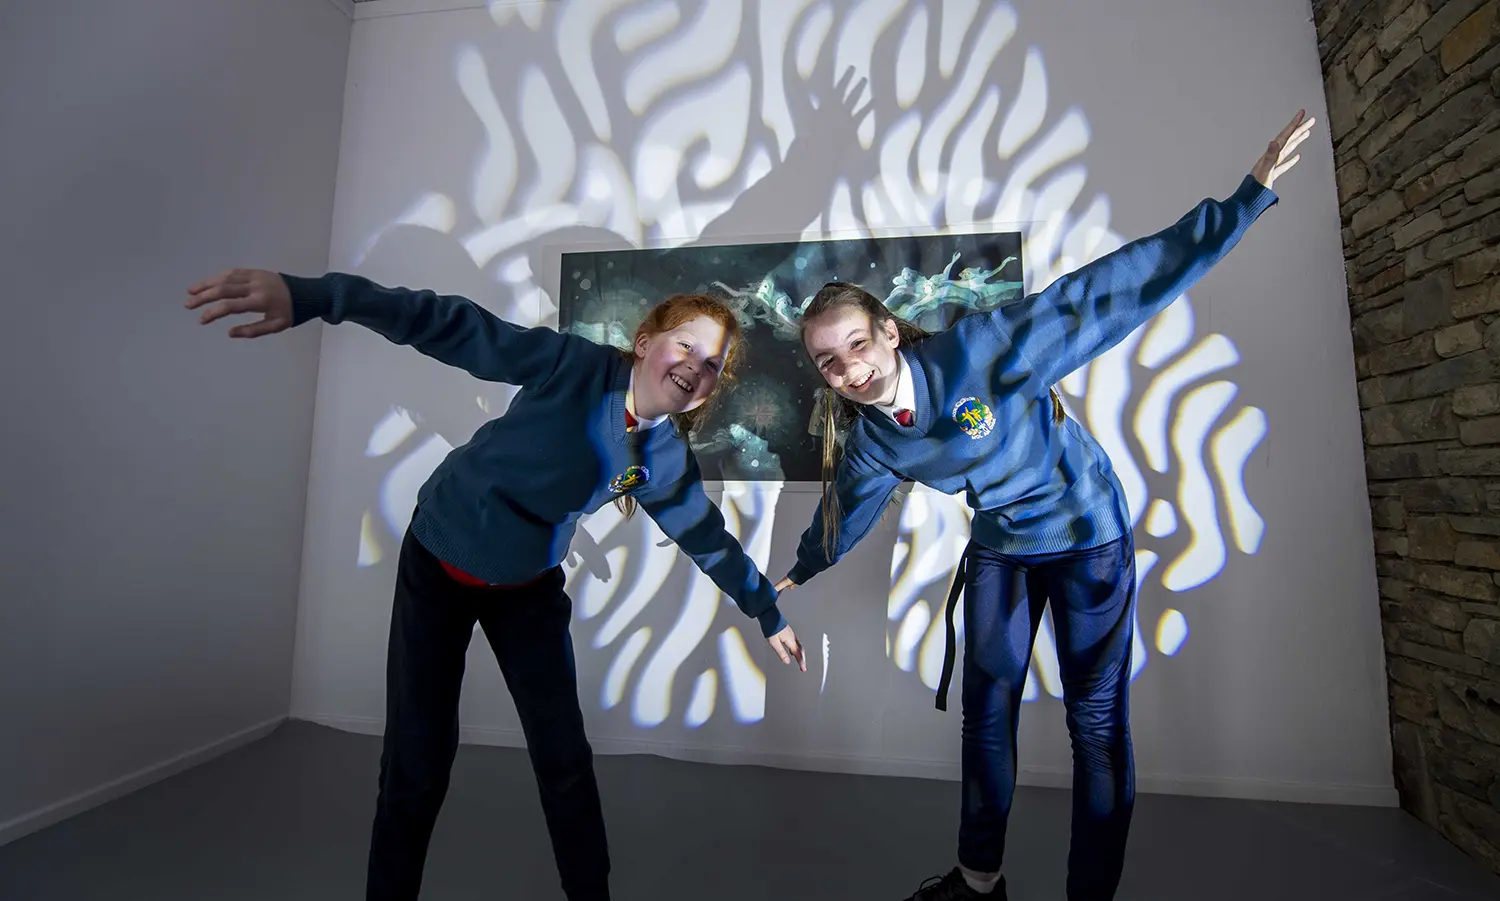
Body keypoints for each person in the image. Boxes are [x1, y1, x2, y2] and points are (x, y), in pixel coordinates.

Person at [775, 111, 1317, 901]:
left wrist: (1241, 201)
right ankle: (978, 879)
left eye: (857, 344)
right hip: (1003, 544)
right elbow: (847, 511)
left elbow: (1108, 291)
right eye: (829, 361)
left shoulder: (984, 350)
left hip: (1087, 535)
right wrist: (795, 570)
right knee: (984, 712)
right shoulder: (873, 440)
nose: (848, 368)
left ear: (889, 333)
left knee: (1094, 726)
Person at [183, 270, 808, 901]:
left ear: (707, 391)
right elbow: (455, 326)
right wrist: (320, 298)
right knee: (417, 761)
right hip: (439, 560)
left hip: (528, 590)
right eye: (685, 344)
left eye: (712, 364)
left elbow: (704, 535)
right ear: (645, 343)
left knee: (563, 760)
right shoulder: (574, 365)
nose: (695, 365)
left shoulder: (663, 460)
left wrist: (766, 608)